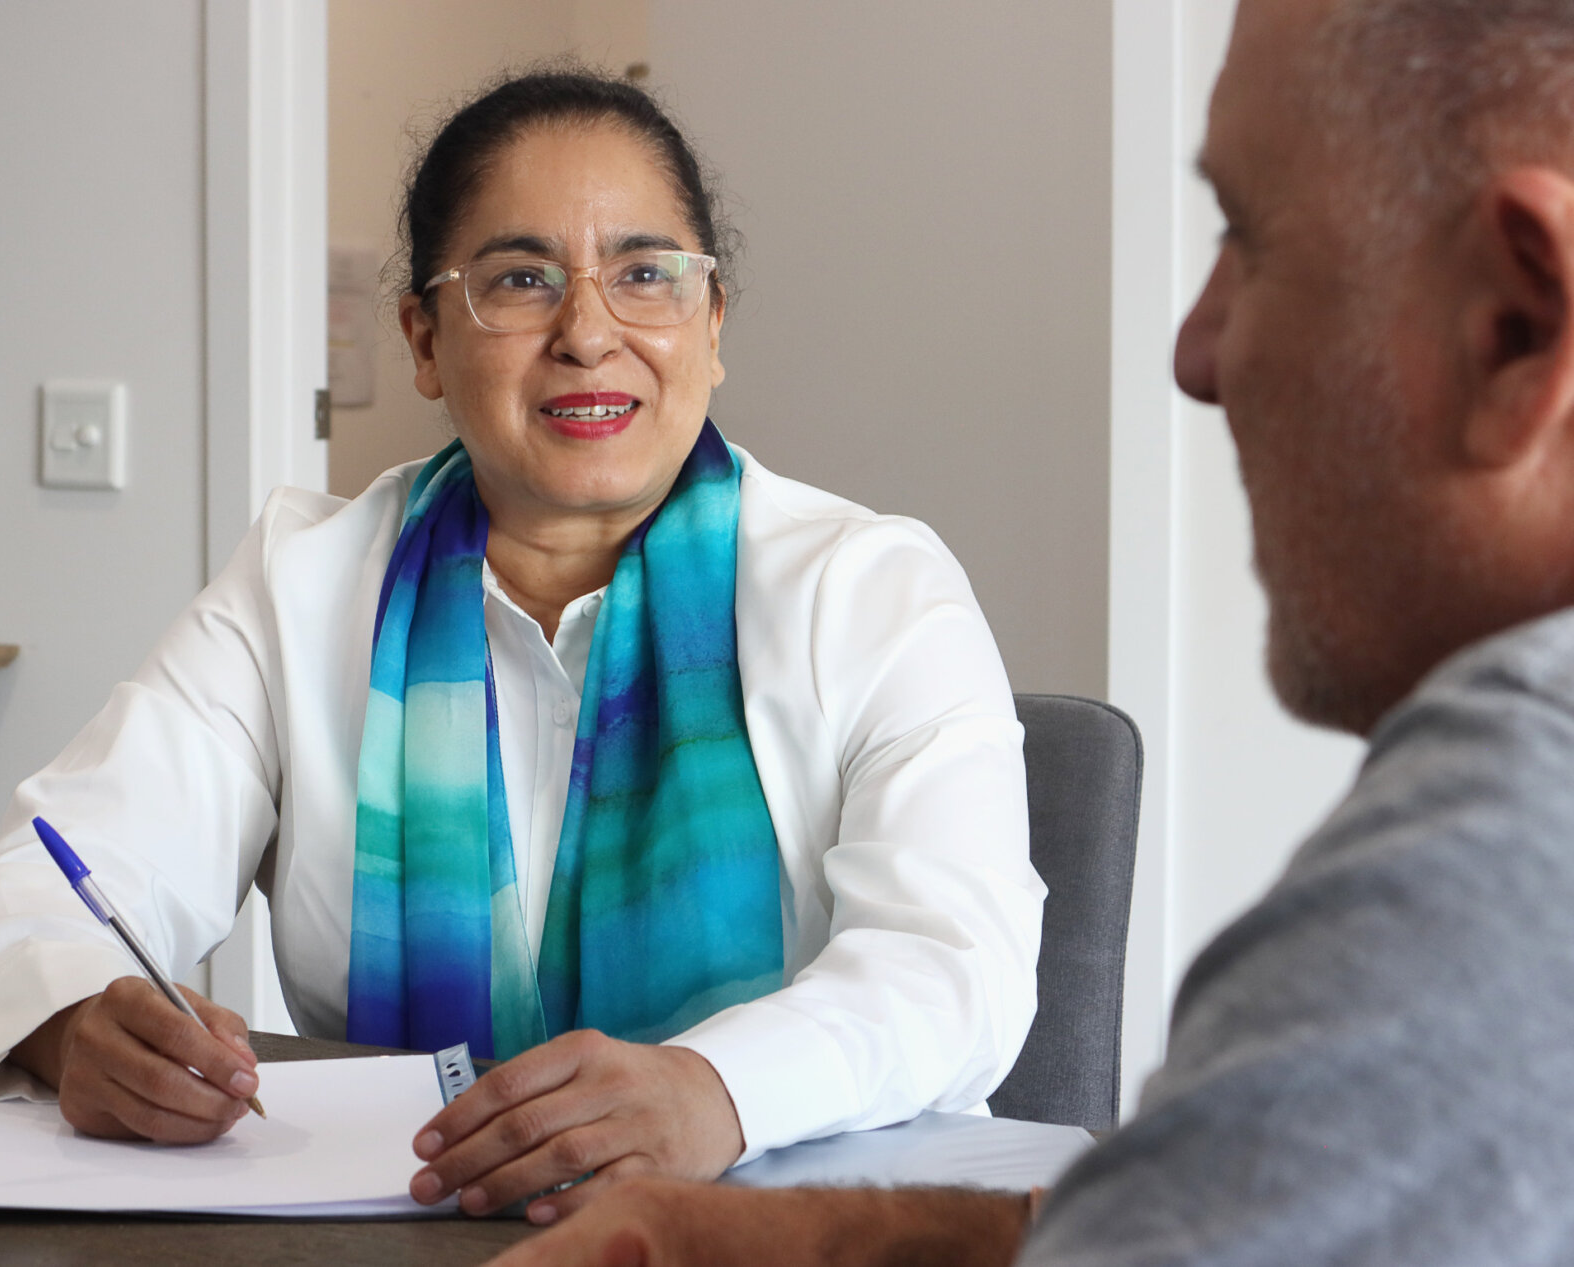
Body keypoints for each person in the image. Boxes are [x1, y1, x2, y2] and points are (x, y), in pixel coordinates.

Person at [483, 0, 1574, 1261]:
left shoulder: (1503, 864)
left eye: (1250, 238)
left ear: (1517, 327)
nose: (1194, 348)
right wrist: (743, 1238)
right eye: (520, 278)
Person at [0, 70, 1044, 1224]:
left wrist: (713, 1088)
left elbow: (955, 968)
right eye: (521, 279)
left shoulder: (873, 591)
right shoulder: (304, 584)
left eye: (645, 275)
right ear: (423, 337)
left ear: (711, 328)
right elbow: (32, 884)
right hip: (405, 1233)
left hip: (775, 1239)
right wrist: (76, 1016)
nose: (589, 332)